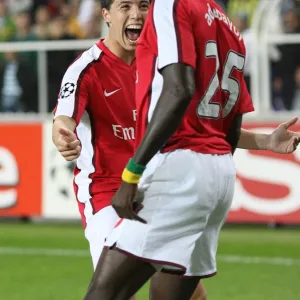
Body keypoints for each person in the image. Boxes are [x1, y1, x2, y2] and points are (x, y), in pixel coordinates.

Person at [53, 1, 300, 300]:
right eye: (125, 6)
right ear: (106, 15)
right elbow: (64, 117)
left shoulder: (164, 58)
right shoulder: (87, 68)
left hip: (155, 180)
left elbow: (201, 125)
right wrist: (63, 134)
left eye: (144, 5)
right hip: (107, 193)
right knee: (118, 292)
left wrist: (264, 142)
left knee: (188, 294)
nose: (137, 14)